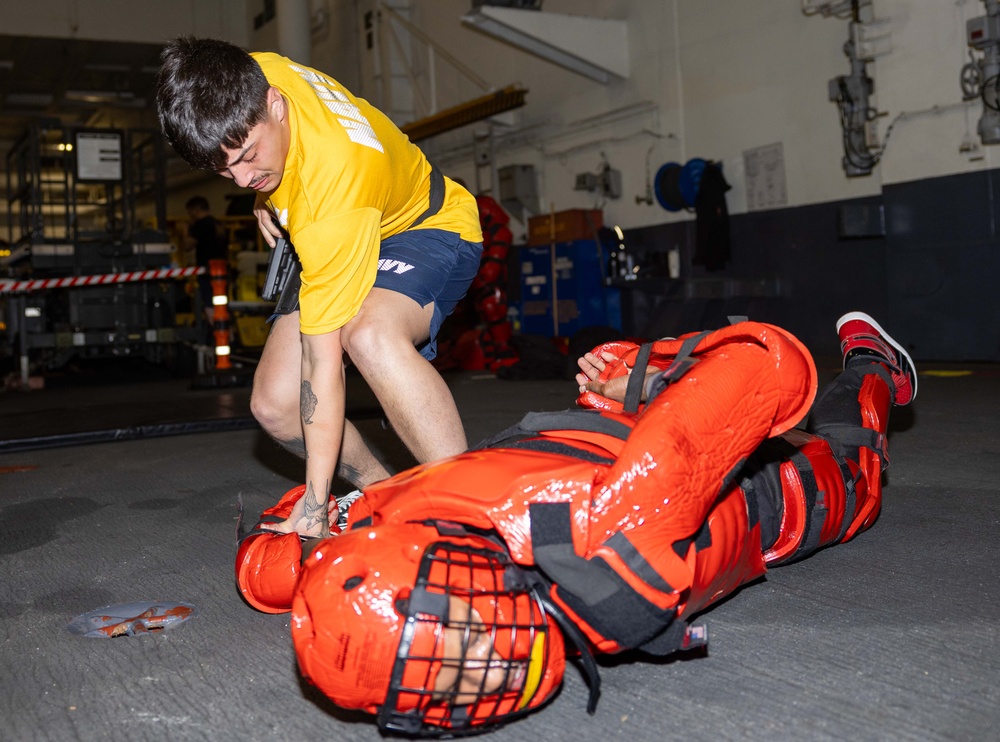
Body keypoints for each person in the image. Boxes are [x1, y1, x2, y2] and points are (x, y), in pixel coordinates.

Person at [234, 311, 916, 736]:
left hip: (746, 488)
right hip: (621, 448)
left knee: (853, 470)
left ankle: (873, 367)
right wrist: (641, 385)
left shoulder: (612, 533)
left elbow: (773, 362)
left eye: (456, 647)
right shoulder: (389, 527)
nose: (479, 677)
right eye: (439, 688)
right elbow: (264, 572)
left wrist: (646, 378)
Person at [156, 38, 483, 533]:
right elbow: (251, 154)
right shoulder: (252, 74)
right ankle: (381, 495)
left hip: (424, 224)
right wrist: (264, 192)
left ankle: (471, 514)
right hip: (339, 220)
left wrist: (313, 504)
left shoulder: (331, 191)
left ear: (275, 104)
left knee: (368, 336)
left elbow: (321, 364)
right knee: (276, 406)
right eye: (224, 168)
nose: (241, 178)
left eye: (249, 156)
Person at [181, 195, 229, 327]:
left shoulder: (200, 225)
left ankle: (217, 330)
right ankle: (227, 333)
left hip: (207, 272)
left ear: (195, 210)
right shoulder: (218, 224)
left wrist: (185, 231)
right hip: (222, 270)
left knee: (209, 304)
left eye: (190, 212)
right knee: (222, 304)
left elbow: (187, 245)